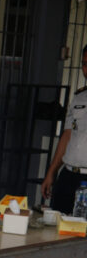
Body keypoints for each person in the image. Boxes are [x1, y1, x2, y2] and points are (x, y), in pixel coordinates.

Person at [41, 44, 87, 214]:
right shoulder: (79, 98)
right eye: (84, 64)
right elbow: (67, 136)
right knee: (58, 223)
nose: (86, 69)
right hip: (69, 175)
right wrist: (51, 172)